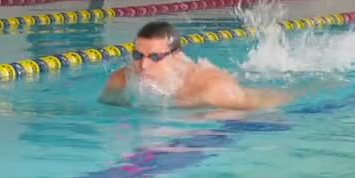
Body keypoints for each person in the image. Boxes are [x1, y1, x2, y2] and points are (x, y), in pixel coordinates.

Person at [99, 21, 292, 113]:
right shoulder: (121, 80)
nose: (143, 65)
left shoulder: (210, 87)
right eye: (138, 55)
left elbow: (255, 115)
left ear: (176, 55)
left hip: (258, 101)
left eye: (155, 57)